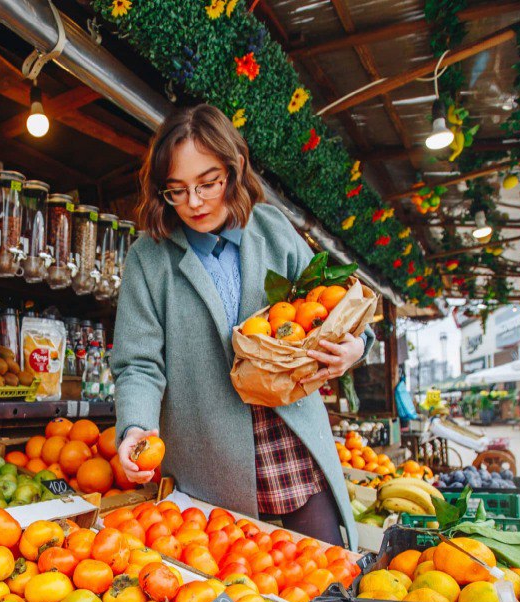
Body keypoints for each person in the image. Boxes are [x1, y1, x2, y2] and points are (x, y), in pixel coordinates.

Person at [110, 104, 370, 547]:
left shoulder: (271, 229)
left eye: (208, 184)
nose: (193, 203)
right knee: (242, 594)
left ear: (233, 170)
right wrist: (135, 425)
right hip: (211, 459)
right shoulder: (149, 259)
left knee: (328, 580)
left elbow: (333, 303)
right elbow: (138, 363)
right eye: (177, 190)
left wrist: (354, 348)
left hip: (293, 444)